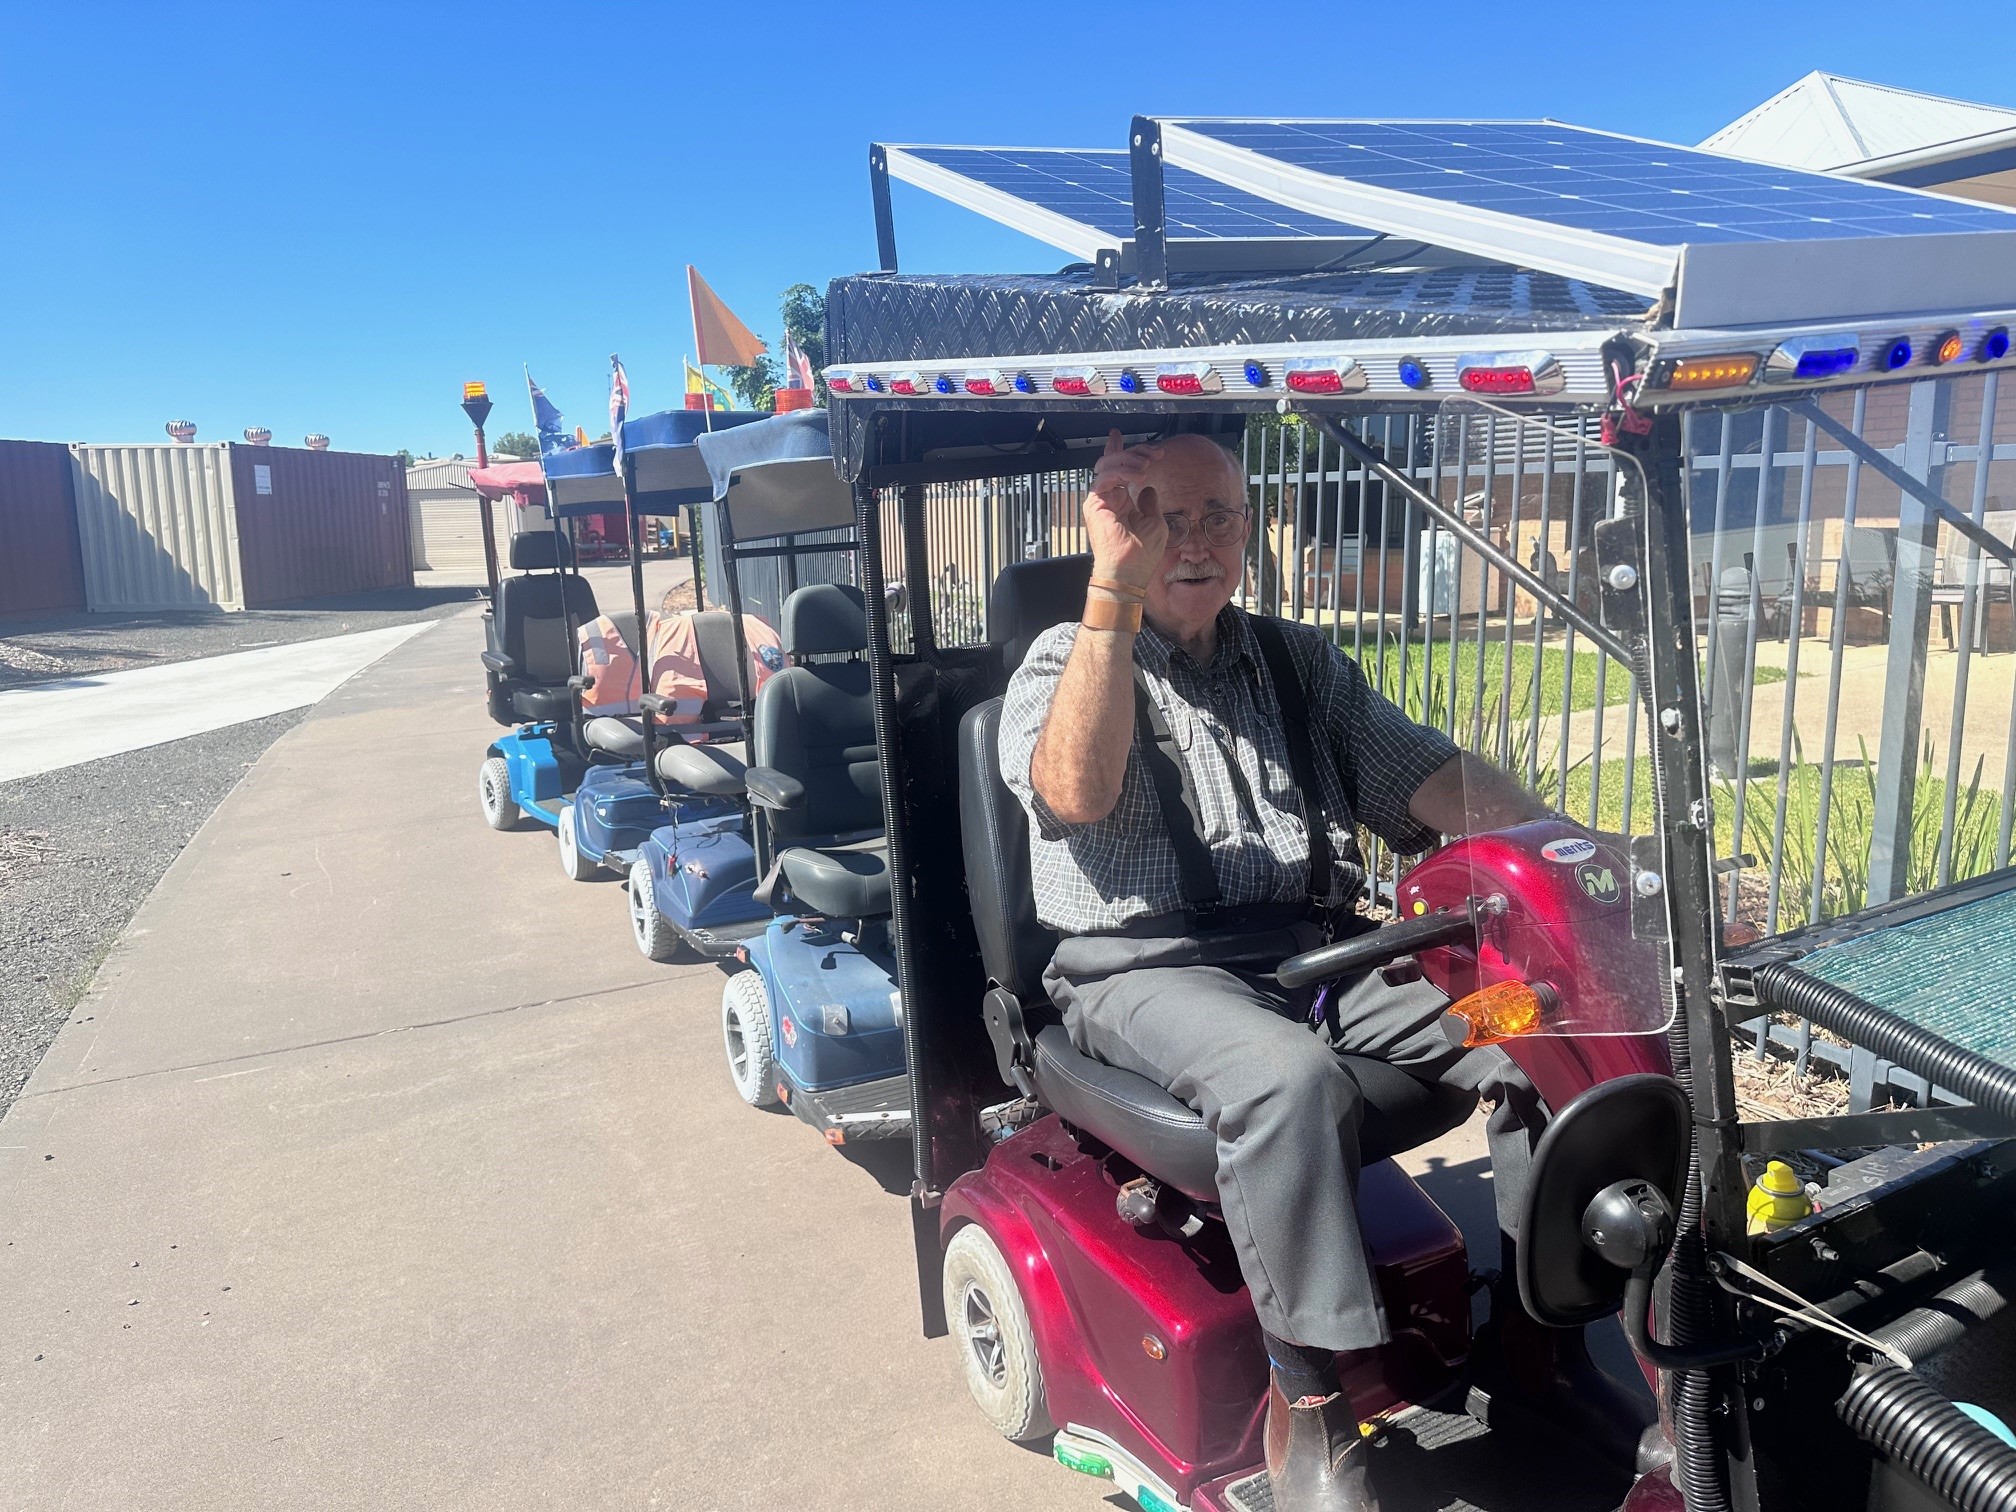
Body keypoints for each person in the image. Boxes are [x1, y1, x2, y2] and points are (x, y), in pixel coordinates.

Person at [998, 430, 1575, 1512]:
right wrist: (1110, 603)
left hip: (1315, 957)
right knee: (1286, 1079)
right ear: (1114, 531)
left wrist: (1574, 844)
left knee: (1523, 1020)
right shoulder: (1059, 664)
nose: (1194, 538)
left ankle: (1537, 1334)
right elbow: (1073, 792)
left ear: (1251, 528)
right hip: (1142, 970)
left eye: (1217, 512)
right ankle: (1311, 1400)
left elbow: (1433, 778)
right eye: (1159, 514)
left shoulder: (1300, 665)